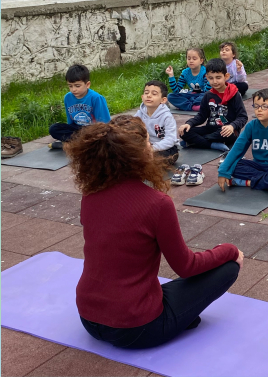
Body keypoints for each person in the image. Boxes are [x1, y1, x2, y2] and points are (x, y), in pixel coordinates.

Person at [66, 114, 242, 349]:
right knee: (228, 267)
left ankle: (178, 318)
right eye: (148, 142)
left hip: (88, 318)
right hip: (136, 329)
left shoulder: (90, 195)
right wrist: (228, 250)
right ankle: (175, 320)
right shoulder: (157, 203)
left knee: (162, 290)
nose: (151, 147)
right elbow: (186, 266)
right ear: (139, 154)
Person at [218, 89, 268, 195]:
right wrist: (223, 171)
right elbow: (237, 149)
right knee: (233, 165)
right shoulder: (251, 126)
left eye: (264, 106)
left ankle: (245, 182)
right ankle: (266, 181)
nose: (259, 110)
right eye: (256, 106)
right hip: (258, 164)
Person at [179, 58, 248, 153]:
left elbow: (242, 117)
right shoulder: (208, 95)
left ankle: (196, 141)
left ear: (226, 76)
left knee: (226, 135)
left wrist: (232, 126)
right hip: (210, 129)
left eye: (218, 77)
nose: (214, 81)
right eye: (211, 78)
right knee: (184, 132)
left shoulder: (234, 94)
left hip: (227, 130)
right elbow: (201, 116)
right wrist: (189, 123)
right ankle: (211, 144)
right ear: (207, 78)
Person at [48, 64, 111, 149]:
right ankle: (81, 144)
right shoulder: (68, 97)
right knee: (54, 129)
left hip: (93, 129)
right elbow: (70, 120)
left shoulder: (96, 98)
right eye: (70, 86)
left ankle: (74, 144)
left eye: (77, 86)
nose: (73, 89)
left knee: (100, 137)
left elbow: (104, 123)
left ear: (87, 84)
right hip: (78, 129)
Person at [134, 80, 179, 165]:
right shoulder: (139, 114)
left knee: (167, 156)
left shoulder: (167, 116)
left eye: (154, 94)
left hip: (164, 148)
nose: (149, 96)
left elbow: (170, 140)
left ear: (163, 100)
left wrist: (152, 148)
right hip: (144, 147)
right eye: (146, 93)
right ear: (142, 97)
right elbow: (130, 129)